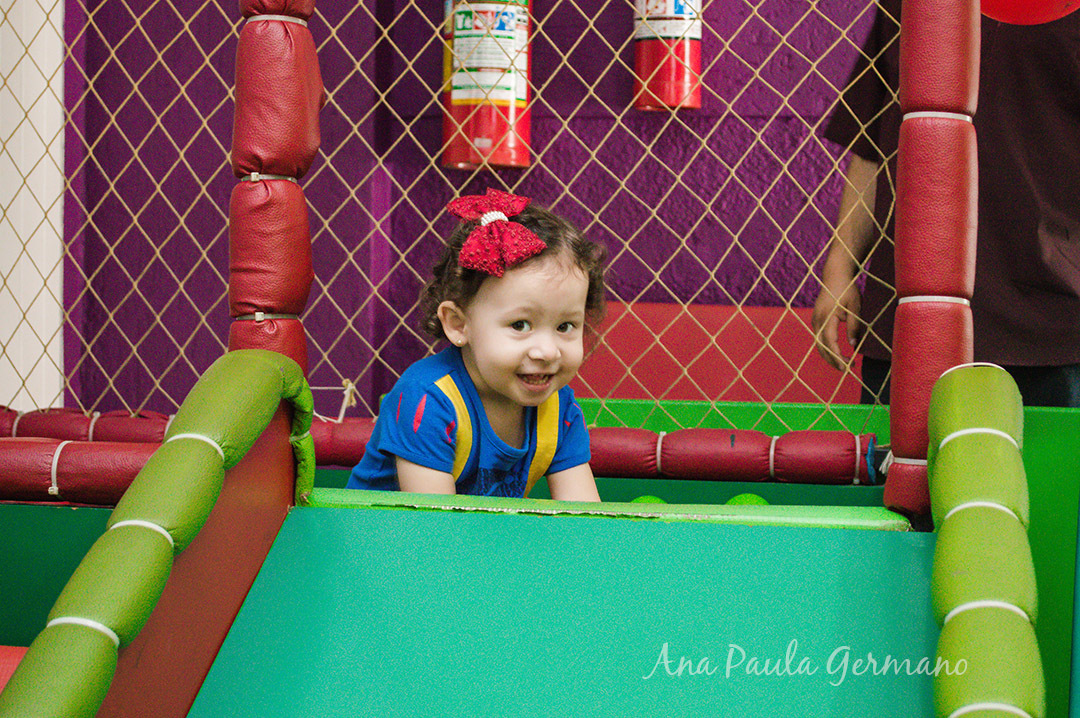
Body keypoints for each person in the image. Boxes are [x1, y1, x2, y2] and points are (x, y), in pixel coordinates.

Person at [812, 0, 1080, 408]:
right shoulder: (908, 5)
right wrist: (839, 267)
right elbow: (872, 144)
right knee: (901, 470)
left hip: (1055, 328)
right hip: (909, 318)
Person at [347, 188, 605, 500]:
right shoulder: (429, 400)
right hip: (384, 543)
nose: (548, 351)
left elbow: (582, 520)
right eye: (520, 325)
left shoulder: (559, 410)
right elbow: (434, 530)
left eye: (565, 326)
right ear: (458, 324)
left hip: (480, 542)